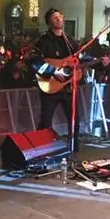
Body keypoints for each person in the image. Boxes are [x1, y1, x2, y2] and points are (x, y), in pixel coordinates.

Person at [32, 8, 81, 152]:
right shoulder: (43, 41)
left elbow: (79, 58)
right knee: (46, 121)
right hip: (51, 87)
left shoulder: (70, 40)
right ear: (49, 22)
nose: (59, 19)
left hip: (68, 87)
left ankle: (73, 149)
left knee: (74, 120)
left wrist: (100, 62)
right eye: (54, 17)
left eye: (60, 16)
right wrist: (53, 71)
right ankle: (42, 149)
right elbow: (35, 62)